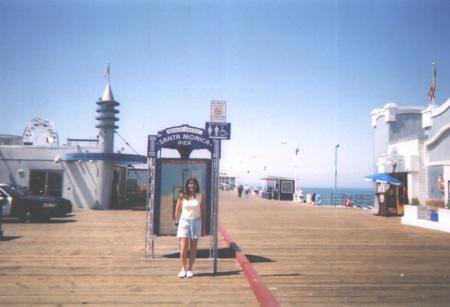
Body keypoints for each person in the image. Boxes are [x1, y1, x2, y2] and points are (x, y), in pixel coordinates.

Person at [175, 177, 206, 278]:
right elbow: (177, 209)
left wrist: (203, 228)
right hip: (184, 222)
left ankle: (190, 269)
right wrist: (177, 221)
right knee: (184, 247)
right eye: (189, 184)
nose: (191, 186)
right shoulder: (182, 196)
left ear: (196, 185)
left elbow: (203, 212)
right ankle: (183, 269)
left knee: (193, 247)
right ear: (187, 185)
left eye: (193, 184)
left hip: (196, 222)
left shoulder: (200, 196)